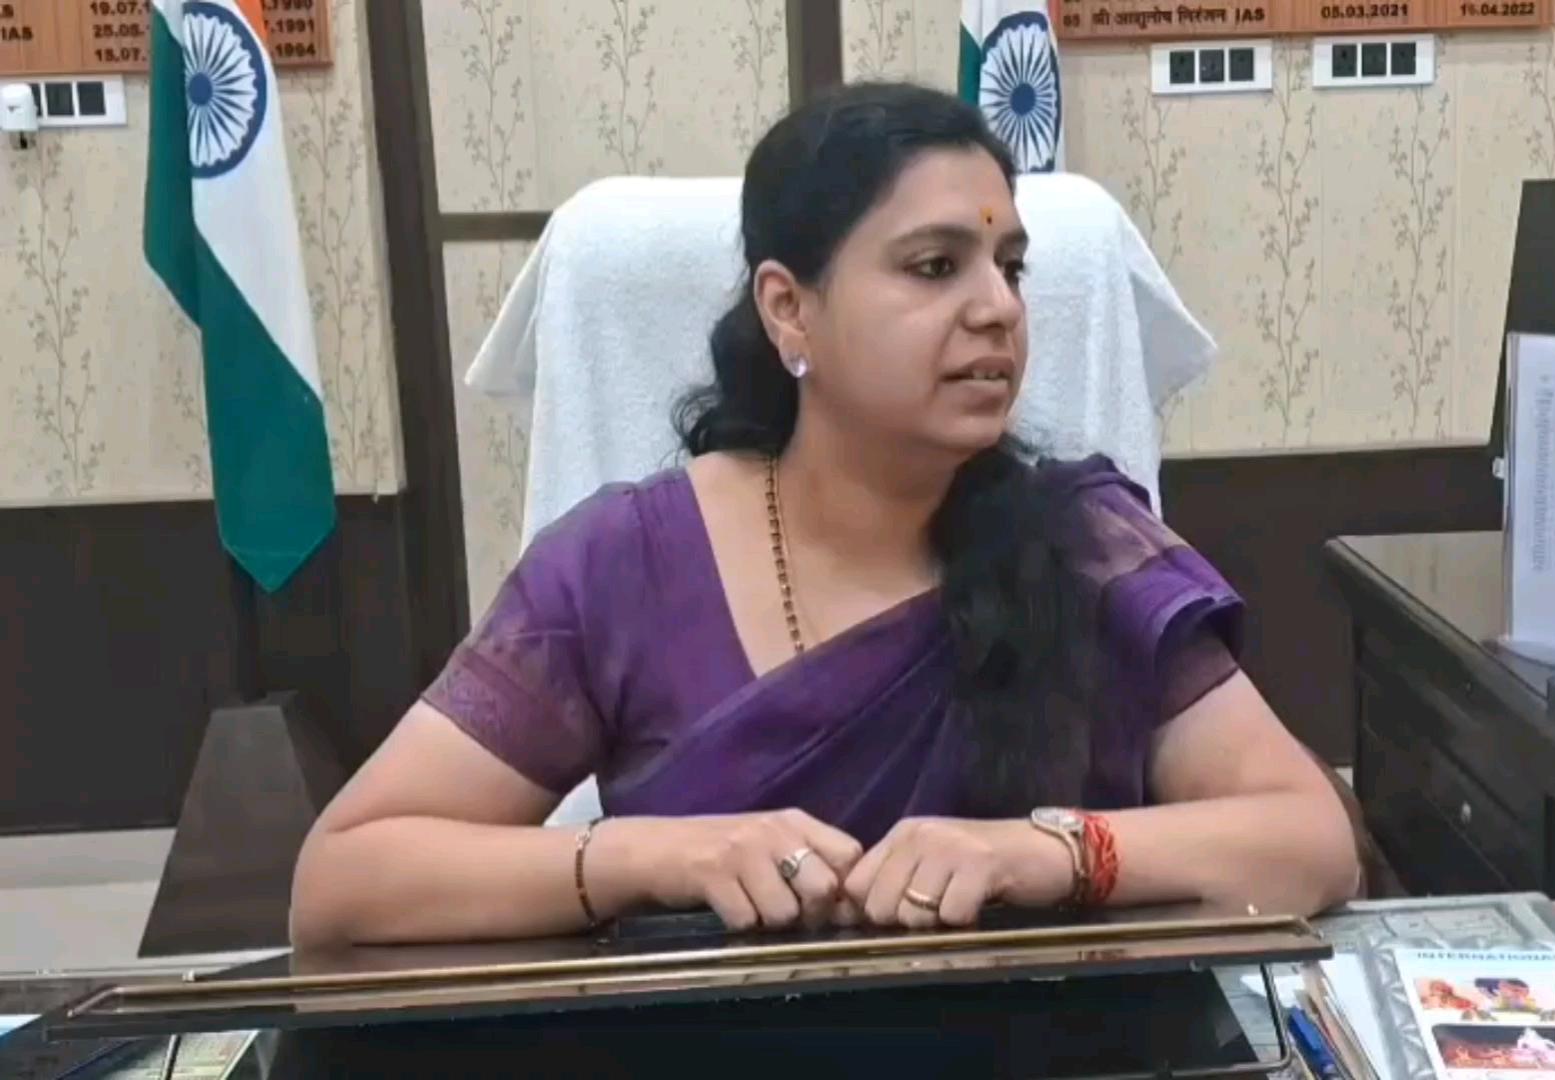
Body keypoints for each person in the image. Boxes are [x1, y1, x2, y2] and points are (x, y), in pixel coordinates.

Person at [288, 82, 1361, 949]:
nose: (997, 308)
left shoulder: (1081, 547)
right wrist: (654, 857)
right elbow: (342, 881)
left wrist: (1047, 853)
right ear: (788, 309)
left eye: (1009, 268)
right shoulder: (626, 564)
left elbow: (1310, 839)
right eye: (934, 267)